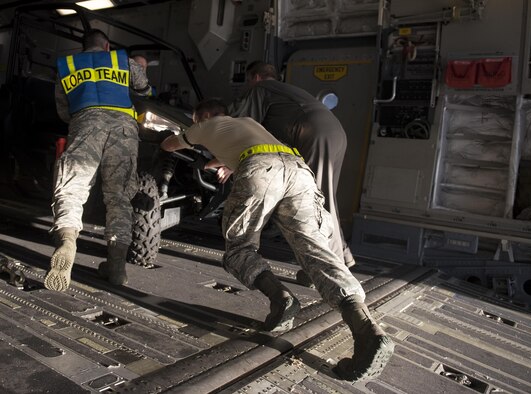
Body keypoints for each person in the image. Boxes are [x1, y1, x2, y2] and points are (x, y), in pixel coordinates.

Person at [160, 98, 394, 382]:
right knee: (315, 250)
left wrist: (176, 138)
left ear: (204, 116)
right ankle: (367, 330)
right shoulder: (248, 124)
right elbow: (240, 150)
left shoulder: (205, 126)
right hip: (298, 171)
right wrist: (219, 161)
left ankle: (281, 299)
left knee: (239, 247)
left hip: (261, 170)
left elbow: (170, 145)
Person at [228, 62, 356, 286]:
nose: (248, 85)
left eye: (249, 80)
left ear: (256, 77)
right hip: (333, 132)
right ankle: (342, 254)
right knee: (325, 197)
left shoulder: (261, 89)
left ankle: (332, 271)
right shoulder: (285, 91)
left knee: (315, 203)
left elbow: (245, 125)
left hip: (314, 135)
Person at [44, 29, 153, 291]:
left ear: (84, 46)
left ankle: (68, 242)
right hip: (123, 130)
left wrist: (85, 119)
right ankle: (116, 267)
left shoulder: (67, 65)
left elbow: (62, 109)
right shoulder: (120, 59)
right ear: (106, 45)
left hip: (85, 123)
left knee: (72, 189)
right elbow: (144, 88)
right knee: (119, 197)